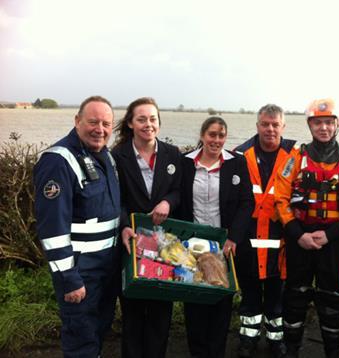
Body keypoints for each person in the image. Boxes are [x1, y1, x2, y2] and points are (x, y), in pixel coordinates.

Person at [275, 98, 339, 358]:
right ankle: (291, 349)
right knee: (295, 297)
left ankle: (333, 351)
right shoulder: (295, 158)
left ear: (338, 124)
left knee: (331, 301)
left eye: (329, 122)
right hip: (300, 240)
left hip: (333, 242)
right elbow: (280, 198)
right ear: (310, 125)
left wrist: (330, 234)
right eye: (318, 122)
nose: (324, 128)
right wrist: (298, 234)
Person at [34, 95, 121, 357]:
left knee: (97, 331)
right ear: (77, 121)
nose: (100, 129)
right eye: (93, 122)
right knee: (80, 339)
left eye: (106, 124)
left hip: (107, 269)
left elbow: (112, 208)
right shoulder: (58, 162)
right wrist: (69, 279)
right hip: (80, 273)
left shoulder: (105, 156)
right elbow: (52, 231)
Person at [177, 116, 254, 358]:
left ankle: (216, 352)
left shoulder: (237, 163)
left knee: (220, 301)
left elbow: (246, 202)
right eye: (212, 134)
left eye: (221, 135)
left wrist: (234, 238)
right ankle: (198, 352)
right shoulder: (185, 163)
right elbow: (178, 199)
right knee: (194, 302)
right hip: (192, 245)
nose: (216, 140)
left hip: (224, 246)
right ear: (202, 136)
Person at [111, 97, 182, 358]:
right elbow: (114, 198)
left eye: (153, 119)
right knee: (132, 314)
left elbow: (179, 192)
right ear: (130, 123)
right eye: (141, 119)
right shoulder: (116, 156)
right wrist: (122, 225)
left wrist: (167, 201)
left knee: (161, 314)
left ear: (159, 124)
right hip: (131, 244)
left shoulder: (173, 154)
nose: (148, 124)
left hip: (165, 246)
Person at [234, 104, 296, 358]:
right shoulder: (240, 155)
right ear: (257, 125)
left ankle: (275, 340)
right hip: (248, 240)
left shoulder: (296, 155)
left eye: (275, 124)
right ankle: (247, 340)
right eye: (265, 124)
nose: (270, 129)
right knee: (249, 295)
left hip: (282, 240)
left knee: (277, 298)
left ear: (283, 126)